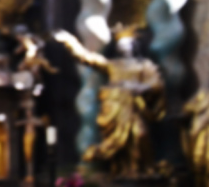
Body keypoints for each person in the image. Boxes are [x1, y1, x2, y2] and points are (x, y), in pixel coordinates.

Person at [53, 28, 166, 176]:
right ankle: (121, 170)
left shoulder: (144, 65)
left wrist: (138, 87)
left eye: (127, 44)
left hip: (134, 107)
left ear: (134, 45)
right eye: (121, 44)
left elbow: (157, 84)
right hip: (115, 108)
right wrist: (70, 41)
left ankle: (141, 169)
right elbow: (87, 57)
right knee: (116, 143)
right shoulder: (113, 64)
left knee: (140, 135)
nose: (124, 47)